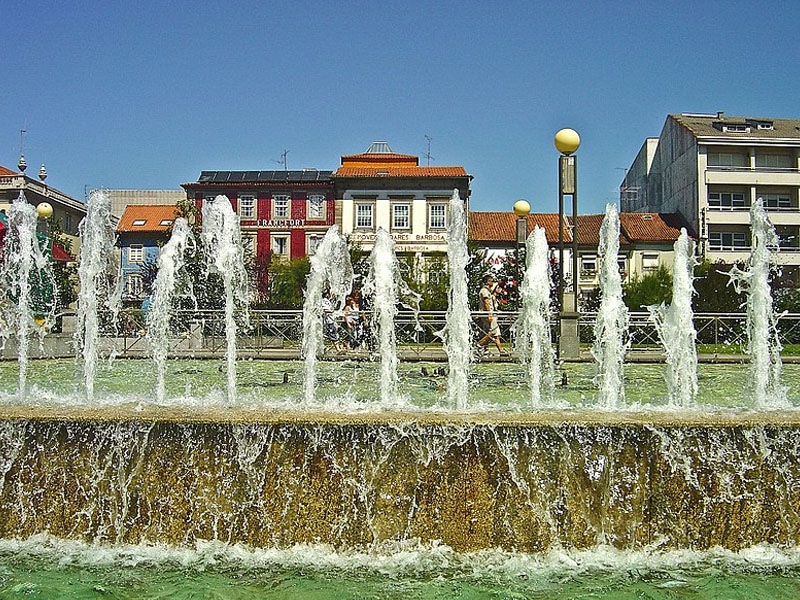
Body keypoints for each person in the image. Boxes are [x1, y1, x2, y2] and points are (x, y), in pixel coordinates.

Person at [476, 274, 508, 356]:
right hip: (487, 315)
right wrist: (489, 314)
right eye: (492, 281)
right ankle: (479, 345)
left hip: (490, 314)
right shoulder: (484, 291)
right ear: (487, 282)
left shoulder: (487, 291)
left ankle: (498, 350)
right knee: (493, 332)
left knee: (494, 333)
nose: (493, 282)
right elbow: (486, 303)